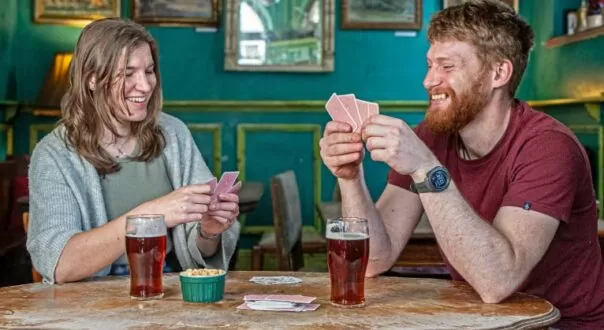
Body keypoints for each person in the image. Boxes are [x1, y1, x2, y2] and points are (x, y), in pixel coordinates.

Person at [319, 1, 604, 328]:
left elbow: (496, 281)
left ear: (499, 73)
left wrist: (427, 168)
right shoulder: (432, 136)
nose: (428, 81)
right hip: (482, 321)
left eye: (447, 67)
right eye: (429, 65)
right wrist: (350, 177)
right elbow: (375, 260)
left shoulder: (549, 147)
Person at [26, 18, 240, 285]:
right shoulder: (54, 154)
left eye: (149, 71)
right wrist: (152, 215)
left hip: (170, 291)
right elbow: (59, 265)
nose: (146, 85)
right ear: (92, 79)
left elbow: (202, 257)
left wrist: (208, 232)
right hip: (90, 306)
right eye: (128, 74)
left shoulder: (173, 133)